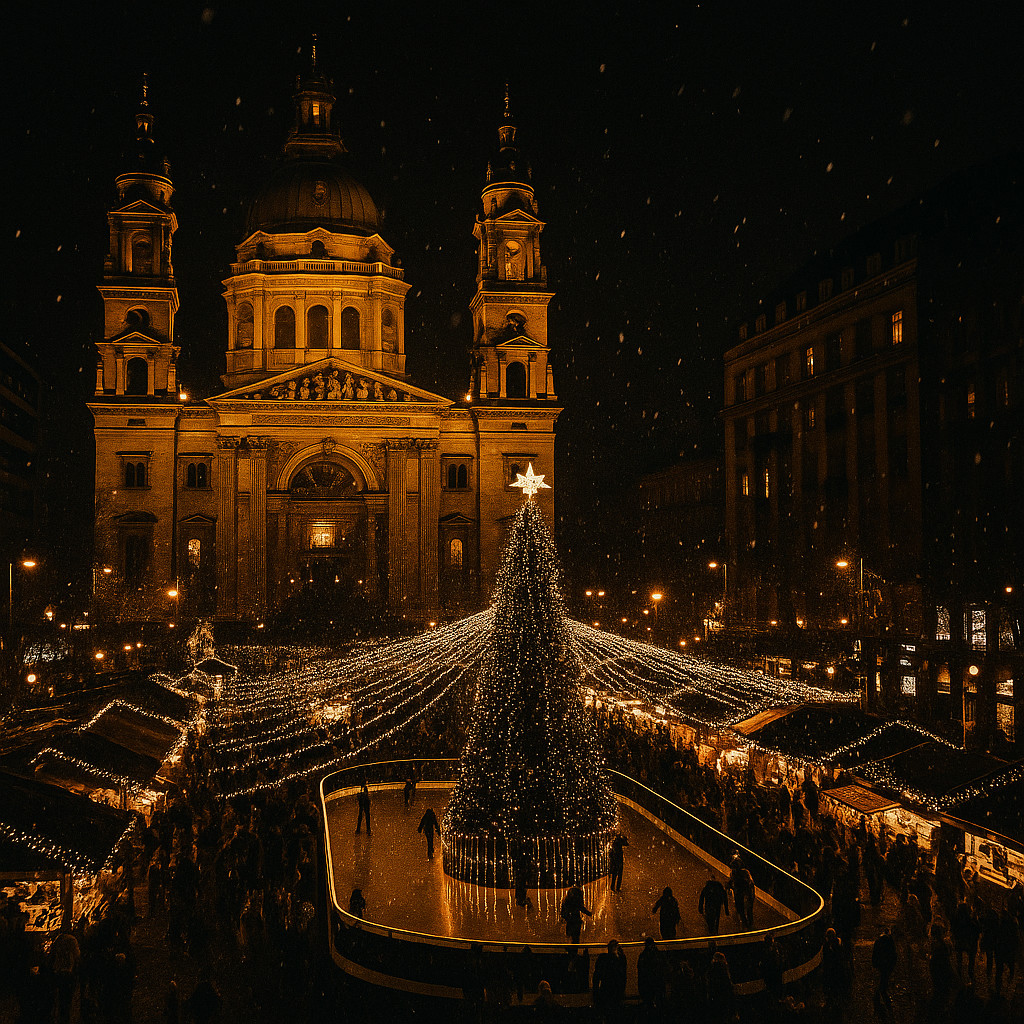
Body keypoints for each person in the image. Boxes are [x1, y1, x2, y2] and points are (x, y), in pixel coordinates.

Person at [49, 926, 81, 1024]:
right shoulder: (72, 940)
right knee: (66, 999)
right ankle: (64, 1018)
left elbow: (52, 954)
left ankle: (55, 1017)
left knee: (56, 998)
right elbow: (77, 955)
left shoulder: (58, 939)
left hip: (58, 971)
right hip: (67, 971)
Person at [592, 939, 627, 1020]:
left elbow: (597, 977)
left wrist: (596, 992)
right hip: (614, 991)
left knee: (608, 1014)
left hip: (608, 991)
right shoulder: (618, 960)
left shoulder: (604, 959)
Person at [872, 925, 898, 1018]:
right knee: (883, 983)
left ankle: (880, 1002)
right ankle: (885, 1005)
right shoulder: (890, 941)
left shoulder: (879, 941)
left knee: (881, 983)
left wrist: (875, 963)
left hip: (881, 964)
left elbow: (875, 953)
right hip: (887, 965)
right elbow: (893, 954)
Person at [637, 935, 667, 1012]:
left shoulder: (643, 956)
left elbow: (641, 971)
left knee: (649, 1003)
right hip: (656, 982)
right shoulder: (658, 955)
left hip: (648, 983)